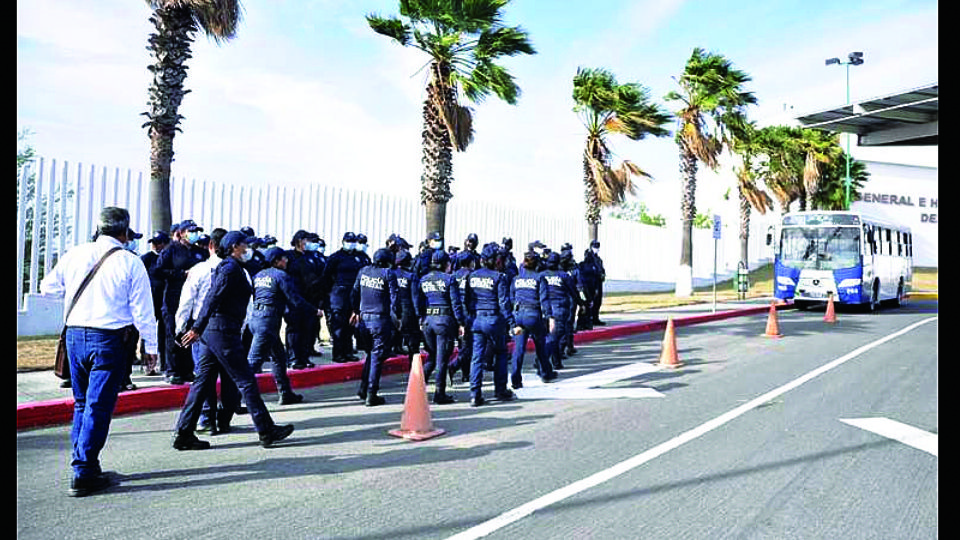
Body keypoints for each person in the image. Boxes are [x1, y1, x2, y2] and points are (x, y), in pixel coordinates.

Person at [40, 206, 158, 497]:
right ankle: (83, 469)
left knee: (82, 404)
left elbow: (47, 288)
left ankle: (84, 464)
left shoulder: (75, 254)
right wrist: (152, 348)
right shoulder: (131, 263)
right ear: (124, 233)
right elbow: (143, 312)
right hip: (109, 340)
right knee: (98, 405)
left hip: (75, 336)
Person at [174, 231, 295, 450]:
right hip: (221, 330)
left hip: (216, 331)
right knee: (246, 380)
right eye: (244, 245)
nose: (247, 249)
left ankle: (184, 433)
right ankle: (266, 431)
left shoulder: (232, 267)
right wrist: (196, 328)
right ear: (233, 247)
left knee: (202, 383)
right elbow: (212, 297)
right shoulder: (230, 268)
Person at [174, 228, 240, 434]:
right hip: (228, 327)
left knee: (204, 376)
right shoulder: (239, 270)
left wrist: (180, 328)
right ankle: (225, 418)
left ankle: (207, 419)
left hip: (200, 329)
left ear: (211, 245)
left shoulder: (199, 270)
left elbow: (186, 302)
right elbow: (247, 304)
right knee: (230, 375)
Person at [249, 246, 323, 405]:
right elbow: (295, 299)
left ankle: (286, 393)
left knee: (279, 358)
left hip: (257, 319)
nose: (286, 261)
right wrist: (314, 311)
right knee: (252, 364)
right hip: (267, 322)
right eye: (284, 258)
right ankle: (235, 400)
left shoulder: (258, 275)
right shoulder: (281, 275)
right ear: (276, 261)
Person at [461, 243, 517, 407]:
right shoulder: (499, 277)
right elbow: (504, 303)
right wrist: (512, 323)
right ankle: (500, 390)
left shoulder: (472, 276)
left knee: (477, 357)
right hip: (494, 319)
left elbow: (467, 301)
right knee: (500, 353)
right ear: (494, 260)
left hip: (477, 319)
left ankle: (475, 394)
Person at [155, 219, 207, 384]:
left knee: (190, 332)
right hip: (173, 298)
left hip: (193, 299)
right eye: (190, 231)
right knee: (173, 333)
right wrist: (180, 274)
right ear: (182, 233)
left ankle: (187, 370)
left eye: (196, 231)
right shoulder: (171, 250)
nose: (194, 234)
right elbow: (158, 270)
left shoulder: (200, 252)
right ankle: (172, 370)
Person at [413, 249, 465, 404]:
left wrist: (421, 318)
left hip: (428, 321)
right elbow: (456, 303)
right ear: (446, 264)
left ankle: (416, 386)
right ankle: (439, 393)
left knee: (433, 356)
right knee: (441, 359)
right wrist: (461, 322)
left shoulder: (424, 280)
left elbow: (419, 302)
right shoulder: (450, 279)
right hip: (444, 321)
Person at [350, 248, 400, 406]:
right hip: (380, 320)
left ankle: (363, 389)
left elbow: (354, 293)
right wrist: (396, 317)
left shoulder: (363, 271)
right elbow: (395, 298)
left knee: (371, 356)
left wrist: (355, 311)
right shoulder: (388, 273)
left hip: (364, 320)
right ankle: (372, 394)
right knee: (377, 358)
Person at [509, 251, 558, 389]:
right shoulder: (539, 278)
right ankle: (545, 373)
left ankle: (515, 379)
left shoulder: (516, 279)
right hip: (533, 315)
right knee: (540, 346)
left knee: (518, 349)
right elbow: (544, 300)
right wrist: (550, 317)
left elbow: (511, 298)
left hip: (518, 315)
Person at [321, 232, 365, 363]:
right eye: (348, 241)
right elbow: (326, 276)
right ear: (343, 241)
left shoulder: (359, 257)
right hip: (339, 296)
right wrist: (328, 294)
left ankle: (348, 351)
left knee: (350, 326)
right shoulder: (336, 257)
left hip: (354, 295)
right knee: (339, 327)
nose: (350, 243)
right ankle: (338, 353)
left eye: (352, 241)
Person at [284, 230, 322, 369]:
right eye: (306, 240)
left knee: (307, 329)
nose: (309, 244)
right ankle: (293, 358)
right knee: (294, 329)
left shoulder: (310, 257)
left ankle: (304, 357)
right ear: (299, 241)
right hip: (293, 298)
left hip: (308, 299)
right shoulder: (289, 256)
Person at [541, 252, 580, 371]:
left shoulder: (541, 275)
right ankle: (543, 361)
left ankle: (555, 362)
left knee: (548, 336)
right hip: (559, 309)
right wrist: (582, 303)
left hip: (544, 309)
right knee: (557, 337)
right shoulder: (563, 276)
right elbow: (574, 292)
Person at [140, 230, 170, 377]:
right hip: (150, 300)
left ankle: (164, 363)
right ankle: (147, 364)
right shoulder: (146, 259)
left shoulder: (169, 258)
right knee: (148, 332)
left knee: (165, 333)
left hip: (165, 299)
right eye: (154, 243)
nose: (156, 246)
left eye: (159, 243)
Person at [451, 250, 476, 385]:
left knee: (464, 345)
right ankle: (454, 366)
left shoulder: (453, 275)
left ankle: (466, 374)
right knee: (468, 346)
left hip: (456, 313)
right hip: (467, 314)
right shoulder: (471, 276)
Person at [392, 249, 420, 359]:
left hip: (391, 309)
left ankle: (396, 347)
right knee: (412, 341)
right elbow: (415, 297)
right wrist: (418, 315)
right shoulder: (411, 276)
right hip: (407, 311)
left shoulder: (390, 273)